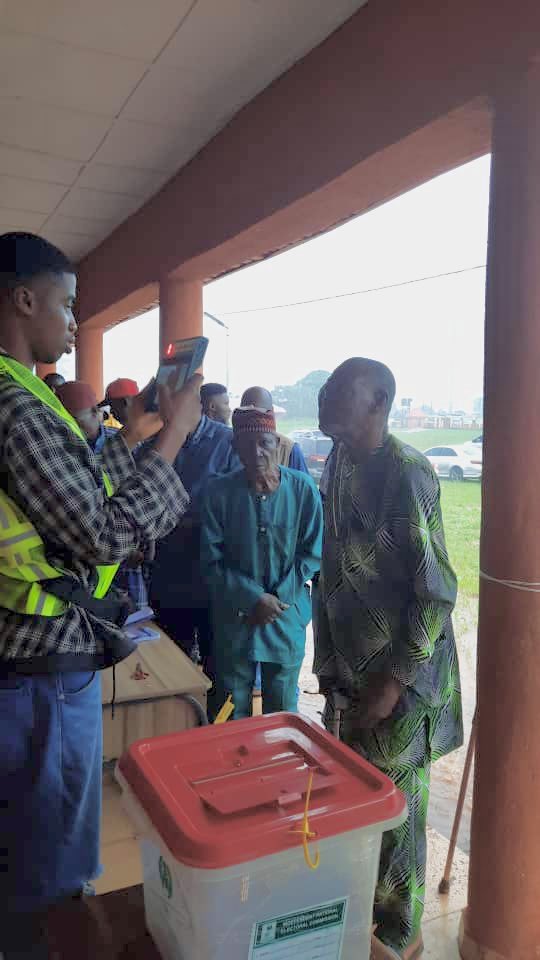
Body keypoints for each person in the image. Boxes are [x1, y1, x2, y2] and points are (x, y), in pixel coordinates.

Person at [0, 232, 202, 958]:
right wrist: (175, 435)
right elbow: (105, 534)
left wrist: (137, 428)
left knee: (32, 857)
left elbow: (74, 491)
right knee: (50, 879)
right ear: (24, 300)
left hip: (36, 676)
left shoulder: (25, 397)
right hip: (41, 679)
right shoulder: (16, 408)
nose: (72, 317)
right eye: (66, 301)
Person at [315, 357, 463, 959]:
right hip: (350, 674)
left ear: (377, 403)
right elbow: (331, 573)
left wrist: (395, 680)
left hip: (400, 683)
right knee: (359, 803)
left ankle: (402, 943)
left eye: (339, 390)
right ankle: (361, 929)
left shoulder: (409, 473)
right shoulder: (338, 462)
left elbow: (436, 590)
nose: (325, 396)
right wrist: (330, 671)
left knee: (398, 817)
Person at [200, 407, 323, 718]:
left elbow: (313, 552)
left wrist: (276, 599)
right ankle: (233, 767)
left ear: (277, 444)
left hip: (285, 616)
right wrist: (254, 598)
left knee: (282, 713)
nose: (256, 453)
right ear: (235, 448)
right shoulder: (219, 492)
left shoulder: (302, 489)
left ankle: (276, 766)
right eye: (246, 444)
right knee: (229, 709)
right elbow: (211, 560)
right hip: (236, 618)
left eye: (265, 443)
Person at [148, 387, 240, 699]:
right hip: (168, 573)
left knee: (220, 665)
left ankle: (216, 733)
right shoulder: (155, 442)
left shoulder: (227, 442)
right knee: (172, 662)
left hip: (214, 574)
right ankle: (179, 732)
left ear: (193, 403)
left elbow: (236, 508)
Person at [56, 380, 149, 610]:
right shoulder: (60, 451)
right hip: (84, 558)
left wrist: (141, 539)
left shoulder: (128, 444)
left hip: (128, 551)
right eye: (63, 421)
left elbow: (141, 492)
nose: (70, 428)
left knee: (133, 617)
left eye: (75, 420)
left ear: (97, 413)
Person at [241, 386, 309, 473]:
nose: (255, 417)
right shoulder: (229, 446)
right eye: (248, 411)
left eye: (261, 413)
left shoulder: (289, 449)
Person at [56, 380, 117, 454]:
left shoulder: (118, 440)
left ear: (96, 412)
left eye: (74, 419)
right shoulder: (59, 442)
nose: (68, 426)